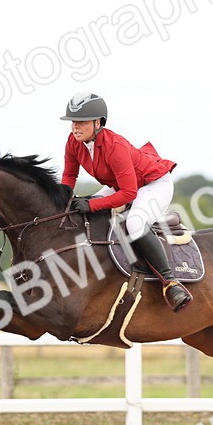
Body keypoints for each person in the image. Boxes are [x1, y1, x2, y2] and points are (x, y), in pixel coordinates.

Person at [60, 91, 192, 312]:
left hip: (153, 184)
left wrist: (91, 204)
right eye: (73, 121)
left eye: (81, 122)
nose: (75, 127)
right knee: (80, 208)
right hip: (121, 184)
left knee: (134, 223)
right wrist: (64, 200)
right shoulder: (73, 143)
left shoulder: (115, 146)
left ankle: (170, 282)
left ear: (98, 122)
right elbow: (69, 177)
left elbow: (129, 194)